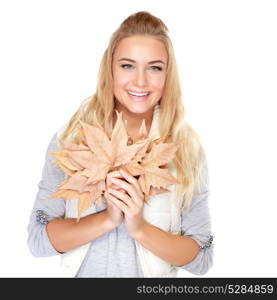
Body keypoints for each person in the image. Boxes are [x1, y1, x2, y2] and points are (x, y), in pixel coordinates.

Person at [27, 11, 214, 277]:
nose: (140, 81)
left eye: (155, 67)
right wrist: (107, 219)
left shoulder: (186, 149)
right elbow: (38, 240)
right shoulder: (72, 139)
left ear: (167, 74)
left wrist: (138, 227)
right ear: (110, 69)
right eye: (127, 65)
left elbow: (202, 256)